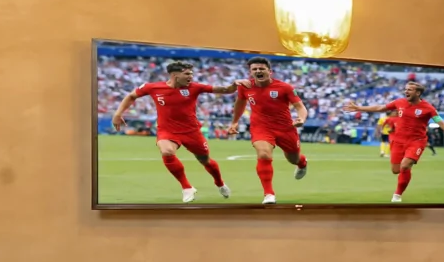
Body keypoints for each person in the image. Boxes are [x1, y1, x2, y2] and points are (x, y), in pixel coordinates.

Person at [110, 59, 228, 203]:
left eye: (191, 74)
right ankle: (187, 187)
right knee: (167, 151)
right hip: (167, 130)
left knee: (205, 161)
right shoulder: (153, 87)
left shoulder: (195, 87)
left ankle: (220, 183)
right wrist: (118, 114)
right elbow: (131, 96)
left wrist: (236, 85)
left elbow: (225, 89)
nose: (191, 77)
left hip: (192, 132)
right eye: (187, 74)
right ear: (175, 75)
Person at [347, 74, 444, 203]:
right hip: (398, 141)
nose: (406, 91)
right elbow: (380, 108)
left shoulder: (428, 108)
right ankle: (407, 167)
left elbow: (442, 123)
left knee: (405, 165)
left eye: (410, 90)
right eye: (406, 89)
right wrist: (359, 108)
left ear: (418, 93)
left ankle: (397, 195)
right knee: (396, 170)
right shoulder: (399, 102)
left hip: (416, 142)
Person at [227, 57, 311, 204]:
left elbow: (300, 107)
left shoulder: (285, 87)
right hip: (261, 127)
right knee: (264, 154)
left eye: (261, 68)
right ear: (250, 72)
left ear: (269, 71)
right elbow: (240, 103)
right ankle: (269, 194)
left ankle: (302, 163)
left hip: (285, 128)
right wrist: (234, 122)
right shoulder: (245, 87)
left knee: (293, 159)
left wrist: (301, 119)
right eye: (254, 69)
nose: (258, 71)